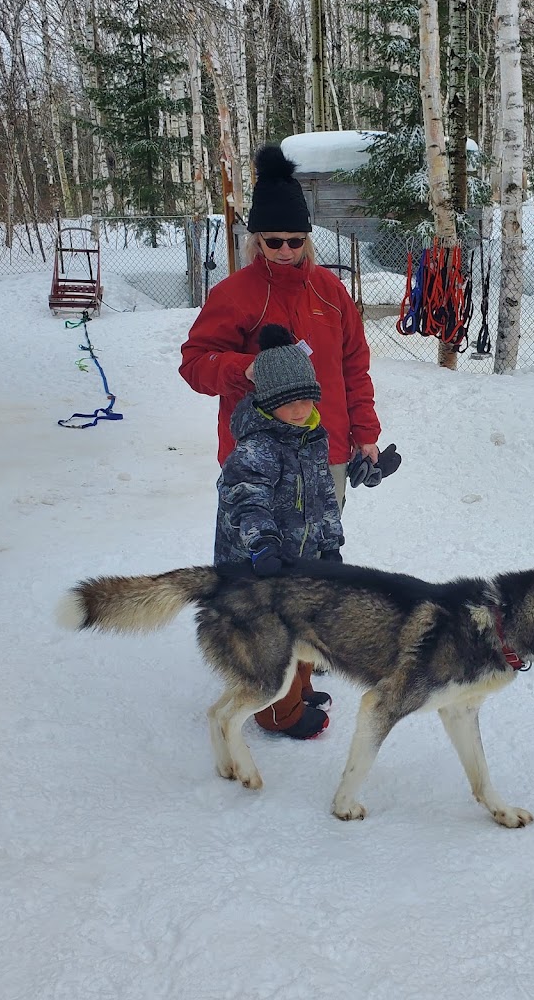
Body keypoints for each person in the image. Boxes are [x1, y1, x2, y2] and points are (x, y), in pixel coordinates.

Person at [180, 142, 381, 737]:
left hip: (328, 453)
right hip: (262, 458)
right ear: (255, 241)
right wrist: (245, 368)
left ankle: (299, 677)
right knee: (265, 579)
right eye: (274, 242)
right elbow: (195, 363)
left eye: (296, 240)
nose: (287, 252)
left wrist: (365, 436)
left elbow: (355, 368)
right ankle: (273, 699)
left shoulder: (330, 293)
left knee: (315, 571)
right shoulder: (236, 294)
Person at [214, 324, 343, 739]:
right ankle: (277, 713)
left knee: (302, 624)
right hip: (258, 566)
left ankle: (299, 689)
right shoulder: (257, 448)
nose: (302, 409)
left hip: (298, 563)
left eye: (307, 399)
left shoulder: (311, 438)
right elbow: (246, 500)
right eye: (290, 403)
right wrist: (263, 545)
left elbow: (324, 495)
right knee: (270, 638)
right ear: (267, 402)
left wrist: (329, 545)